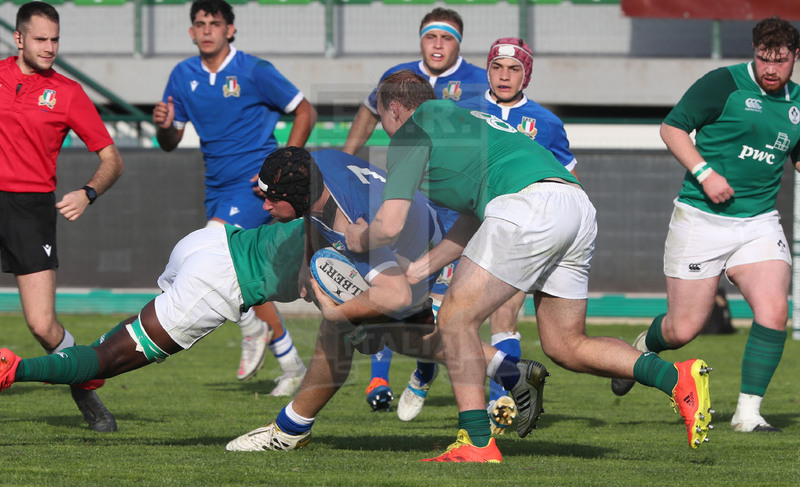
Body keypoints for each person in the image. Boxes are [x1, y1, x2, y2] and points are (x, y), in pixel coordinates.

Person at [343, 70, 714, 462]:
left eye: (380, 115)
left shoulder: (410, 132)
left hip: (528, 206)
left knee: (453, 320)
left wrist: (357, 239)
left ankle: (476, 442)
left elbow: (389, 225)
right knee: (566, 345)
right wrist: (420, 270)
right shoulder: (462, 117)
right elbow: (474, 216)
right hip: (574, 204)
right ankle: (676, 378)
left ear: (394, 108)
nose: (381, 126)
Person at [226, 147, 546, 459]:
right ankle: (512, 372)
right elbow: (313, 213)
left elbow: (396, 294)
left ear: (298, 196)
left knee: (338, 332)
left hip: (412, 254)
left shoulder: (350, 222)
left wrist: (339, 314)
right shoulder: (315, 165)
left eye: (273, 198)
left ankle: (289, 430)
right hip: (416, 227)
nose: (266, 206)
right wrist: (306, 259)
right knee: (402, 337)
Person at [610, 16, 800, 434]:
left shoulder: (797, 104)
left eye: (781, 61)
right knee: (683, 329)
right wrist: (705, 173)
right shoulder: (723, 83)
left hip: (759, 222)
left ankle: (748, 414)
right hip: (701, 219)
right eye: (764, 58)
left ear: (795, 57)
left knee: (774, 311)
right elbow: (672, 128)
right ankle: (642, 347)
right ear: (753, 52)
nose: (771, 68)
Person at [400, 36, 582, 433]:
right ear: (486, 70)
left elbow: (566, 176)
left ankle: (500, 399)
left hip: (518, 226)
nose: (504, 75)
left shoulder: (547, 123)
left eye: (514, 69)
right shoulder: (462, 109)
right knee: (438, 315)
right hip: (460, 226)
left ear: (525, 75)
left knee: (501, 314)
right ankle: (425, 372)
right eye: (497, 67)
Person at [152, 0, 318, 395]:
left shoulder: (254, 70)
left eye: (215, 23)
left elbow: (305, 111)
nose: (207, 30)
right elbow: (170, 141)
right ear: (191, 32)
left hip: (251, 187)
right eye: (200, 24)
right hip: (217, 187)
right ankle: (290, 363)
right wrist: (164, 126)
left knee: (213, 259)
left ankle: (251, 328)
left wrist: (279, 171)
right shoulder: (183, 75)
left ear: (230, 30)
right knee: (245, 271)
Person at [0, 218, 307, 425]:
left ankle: (84, 369)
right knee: (112, 357)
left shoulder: (327, 207)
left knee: (128, 338)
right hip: (219, 278)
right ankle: (14, 369)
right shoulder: (332, 233)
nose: (266, 207)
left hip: (212, 239)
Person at [342, 6, 488, 413]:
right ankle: (380, 377)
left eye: (447, 38)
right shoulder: (399, 78)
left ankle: (430, 371)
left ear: (459, 43)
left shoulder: (480, 80)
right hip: (408, 199)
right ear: (421, 39)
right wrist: (345, 163)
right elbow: (367, 114)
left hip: (457, 206)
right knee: (396, 284)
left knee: (447, 304)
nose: (437, 44)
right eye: (430, 36)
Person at [0, 1, 124, 432]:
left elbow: (112, 159)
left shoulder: (69, 93)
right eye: (41, 39)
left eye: (55, 39)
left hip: (30, 209)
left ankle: (84, 388)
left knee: (42, 324)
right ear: (18, 39)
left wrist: (88, 193)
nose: (50, 47)